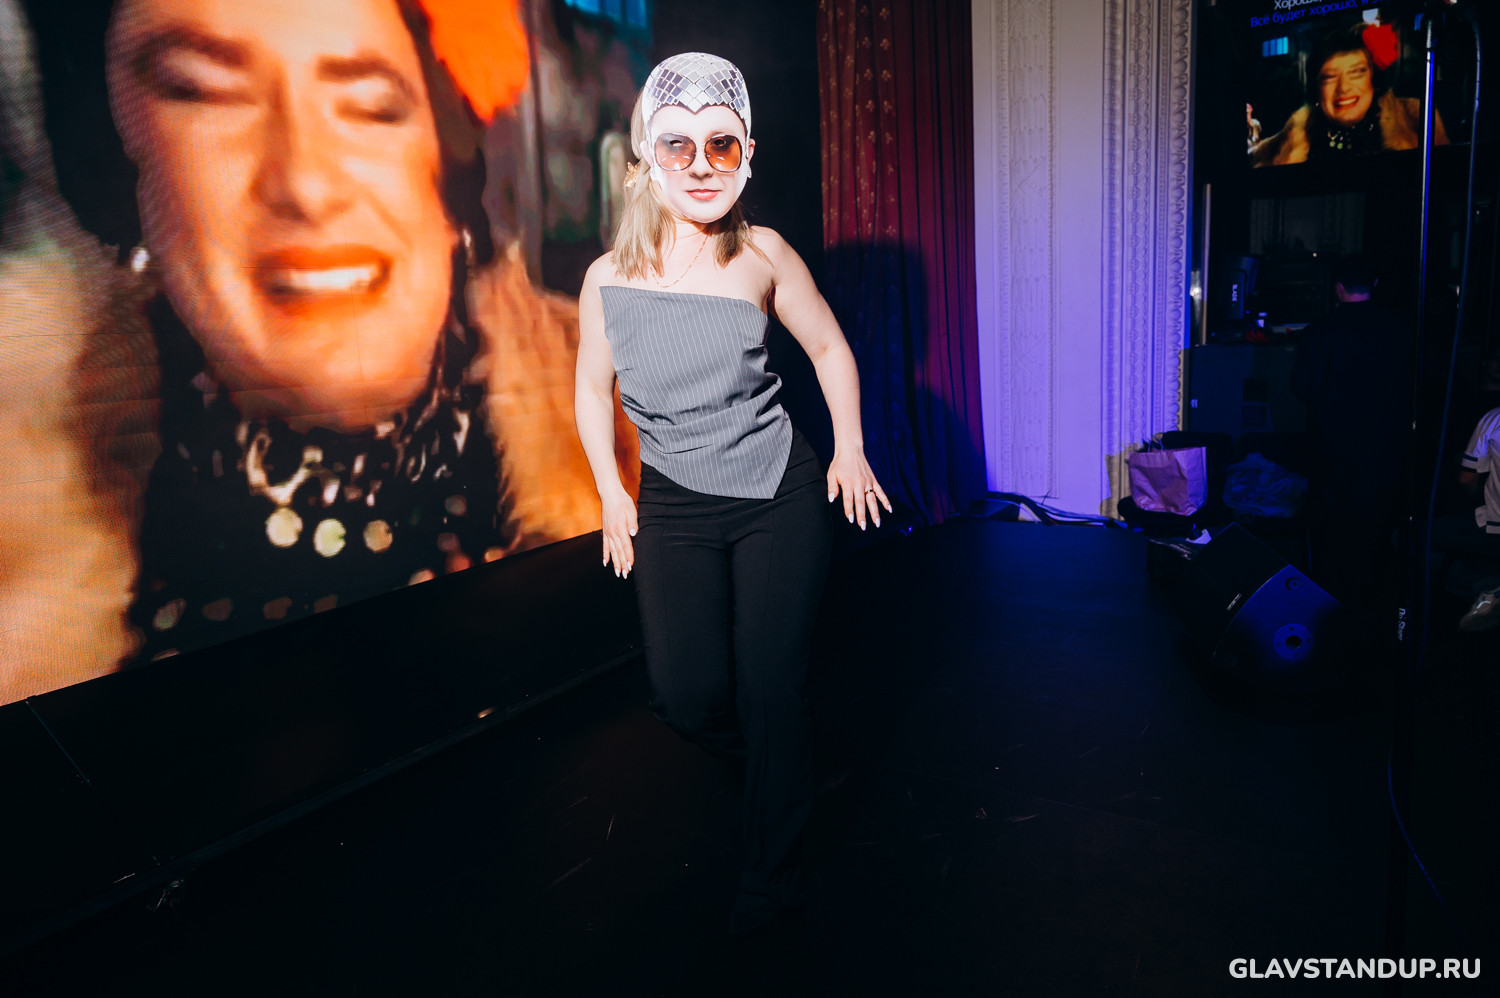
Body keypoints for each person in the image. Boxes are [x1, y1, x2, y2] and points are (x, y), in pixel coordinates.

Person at [0, 0, 635, 699]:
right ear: (124, 164)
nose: (306, 183)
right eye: (206, 93)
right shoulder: (28, 513)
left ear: (444, 164)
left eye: (371, 107)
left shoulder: (618, 403)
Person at [573, 52, 889, 936]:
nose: (702, 165)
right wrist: (611, 490)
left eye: (722, 144)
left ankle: (771, 875)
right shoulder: (607, 278)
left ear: (748, 153)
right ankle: (776, 769)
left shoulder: (762, 254)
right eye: (680, 146)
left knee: (771, 687)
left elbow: (828, 347)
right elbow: (590, 389)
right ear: (647, 155)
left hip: (776, 492)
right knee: (684, 696)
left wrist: (849, 448)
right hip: (675, 499)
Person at [1290, 255, 1412, 607]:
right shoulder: (1401, 328)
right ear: (1374, 284)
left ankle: (1329, 600)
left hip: (1332, 445)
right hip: (1384, 443)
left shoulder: (1319, 331)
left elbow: (1301, 386)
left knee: (1331, 526)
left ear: (1338, 287)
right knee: (1373, 526)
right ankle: (1370, 600)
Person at [1249, 23, 1448, 167]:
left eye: (1356, 73)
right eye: (1329, 78)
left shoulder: (1415, 118)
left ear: (1374, 80)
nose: (1343, 88)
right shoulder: (1291, 137)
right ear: (1317, 88)